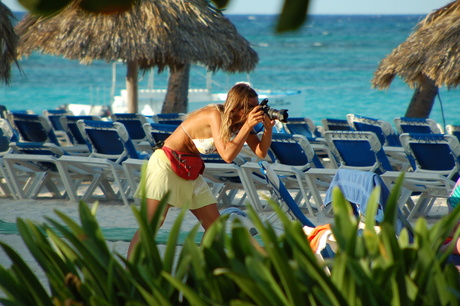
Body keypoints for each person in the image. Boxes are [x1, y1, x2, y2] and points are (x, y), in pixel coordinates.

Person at [127, 83, 276, 258]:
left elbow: (260, 152)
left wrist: (268, 129)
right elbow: (227, 156)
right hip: (166, 164)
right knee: (153, 223)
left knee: (214, 226)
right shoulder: (214, 115)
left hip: (189, 169)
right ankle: (131, 269)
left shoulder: (241, 123)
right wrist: (247, 126)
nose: (254, 110)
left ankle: (201, 268)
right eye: (250, 107)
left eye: (256, 106)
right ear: (236, 106)